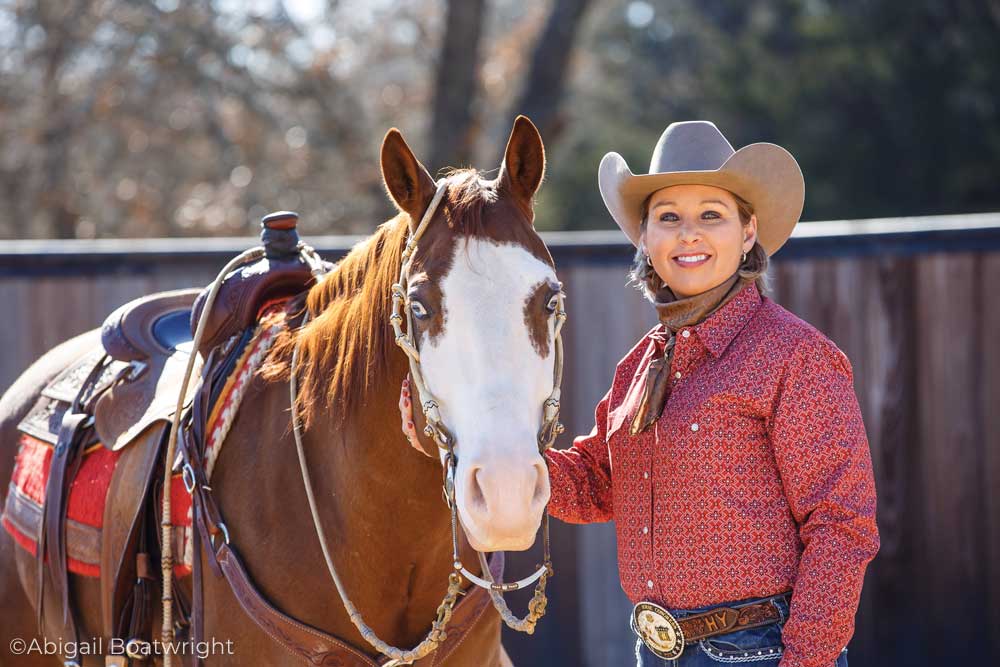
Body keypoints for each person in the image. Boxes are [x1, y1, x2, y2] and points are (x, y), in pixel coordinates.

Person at [543, 120, 880, 667]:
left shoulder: (794, 357)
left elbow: (842, 526)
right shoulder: (638, 366)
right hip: (655, 652)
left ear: (748, 233)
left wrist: (804, 662)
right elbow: (592, 488)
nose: (688, 233)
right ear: (645, 238)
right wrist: (471, 449)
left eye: (711, 215)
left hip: (764, 653)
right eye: (668, 217)